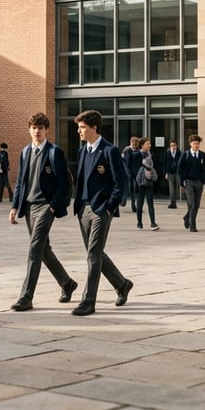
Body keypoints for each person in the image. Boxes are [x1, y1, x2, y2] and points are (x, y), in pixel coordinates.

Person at [8, 112, 79, 311]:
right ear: (29, 129)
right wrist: (15, 206)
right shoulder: (25, 152)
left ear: (46, 130)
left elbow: (64, 184)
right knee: (43, 250)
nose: (37, 131)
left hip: (46, 207)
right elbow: (21, 181)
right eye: (34, 127)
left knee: (34, 248)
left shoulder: (54, 152)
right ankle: (67, 283)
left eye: (41, 128)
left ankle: (26, 297)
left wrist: (54, 207)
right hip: (29, 206)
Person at [71, 109, 134, 316]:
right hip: (83, 209)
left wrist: (109, 206)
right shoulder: (82, 151)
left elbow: (121, 182)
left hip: (100, 210)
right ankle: (122, 284)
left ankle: (88, 301)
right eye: (78, 128)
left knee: (93, 254)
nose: (79, 132)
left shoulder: (109, 151)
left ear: (94, 128)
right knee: (95, 253)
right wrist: (78, 205)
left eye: (82, 128)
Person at [177, 134, 205, 233]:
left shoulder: (202, 155)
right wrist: (182, 182)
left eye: (198, 144)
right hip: (189, 182)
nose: (196, 145)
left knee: (196, 205)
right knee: (192, 204)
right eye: (194, 144)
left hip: (199, 182)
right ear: (190, 144)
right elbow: (180, 168)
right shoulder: (185, 154)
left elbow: (204, 169)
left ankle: (187, 217)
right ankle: (192, 225)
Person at [134, 138, 160, 231]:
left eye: (150, 144)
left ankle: (153, 223)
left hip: (149, 182)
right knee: (140, 204)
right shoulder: (137, 154)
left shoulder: (150, 155)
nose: (149, 145)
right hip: (140, 182)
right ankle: (139, 223)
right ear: (142, 145)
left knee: (150, 203)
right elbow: (134, 167)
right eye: (147, 144)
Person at [122, 137, 143, 212]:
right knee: (131, 189)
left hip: (134, 172)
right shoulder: (128, 151)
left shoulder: (130, 151)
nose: (133, 145)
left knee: (134, 189)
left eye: (135, 143)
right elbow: (126, 162)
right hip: (130, 172)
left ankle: (134, 205)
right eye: (132, 143)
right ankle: (130, 204)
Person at [164, 139, 182, 209]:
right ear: (170, 146)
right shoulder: (167, 153)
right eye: (172, 145)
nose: (173, 147)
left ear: (176, 146)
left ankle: (176, 201)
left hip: (177, 173)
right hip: (170, 173)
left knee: (177, 188)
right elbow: (165, 163)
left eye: (174, 145)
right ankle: (172, 203)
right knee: (171, 189)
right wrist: (166, 172)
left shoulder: (179, 152)